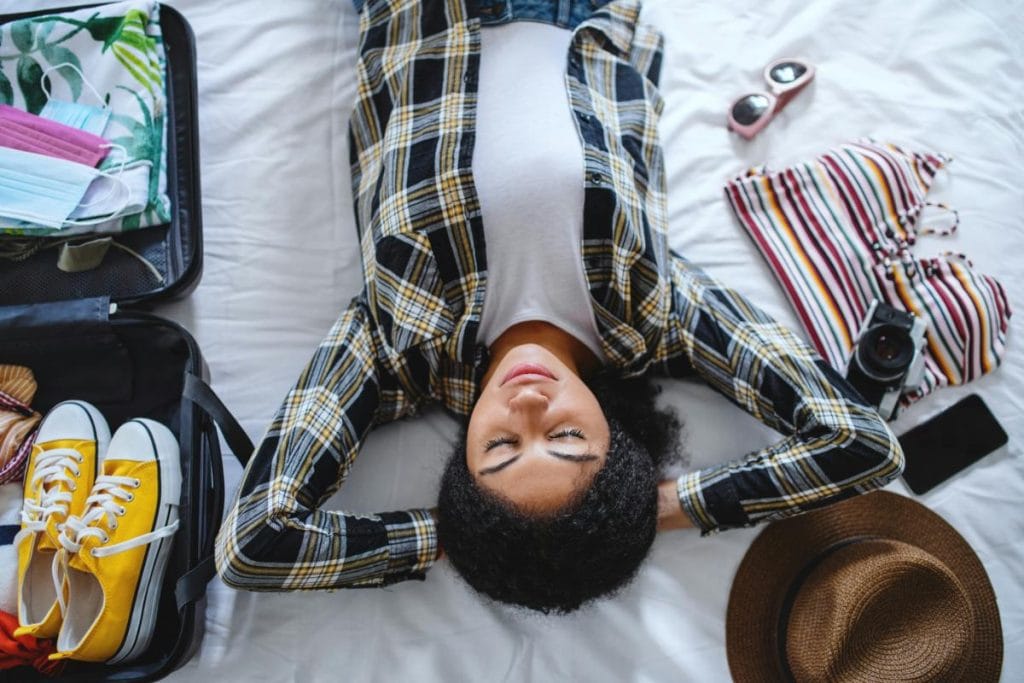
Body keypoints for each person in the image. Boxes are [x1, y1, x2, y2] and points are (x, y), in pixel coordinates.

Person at [215, 0, 904, 613]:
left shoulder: (396, 347)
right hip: (587, 17)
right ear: (619, 443)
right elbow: (859, 443)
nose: (531, 410)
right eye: (569, 440)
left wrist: (447, 537)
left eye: (502, 446)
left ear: (462, 467)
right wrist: (660, 509)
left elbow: (255, 542)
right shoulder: (655, 317)